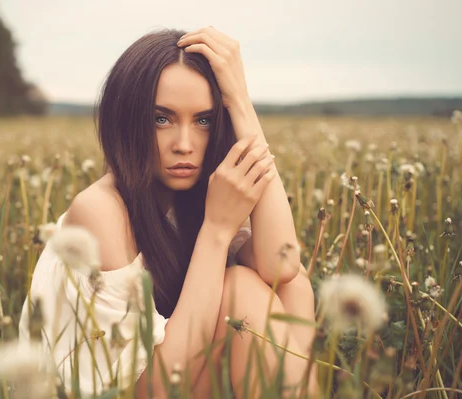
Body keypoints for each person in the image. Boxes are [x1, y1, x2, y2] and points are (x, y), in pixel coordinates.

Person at [19, 26, 318, 398]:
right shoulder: (100, 210)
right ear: (127, 122)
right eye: (161, 119)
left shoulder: (195, 194)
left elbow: (281, 266)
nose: (184, 145)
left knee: (292, 286)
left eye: (204, 120)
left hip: (182, 373)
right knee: (241, 293)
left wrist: (241, 100)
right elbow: (153, 388)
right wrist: (217, 229)